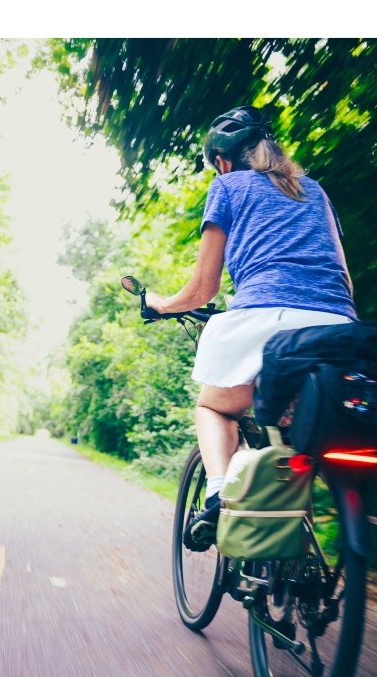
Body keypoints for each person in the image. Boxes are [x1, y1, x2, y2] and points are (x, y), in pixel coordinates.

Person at [144, 106, 357, 550]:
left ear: (222, 160)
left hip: (267, 318)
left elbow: (203, 290)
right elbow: (345, 278)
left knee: (216, 408)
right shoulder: (315, 191)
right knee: (298, 433)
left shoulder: (227, 186)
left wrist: (161, 304)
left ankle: (219, 493)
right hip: (340, 327)